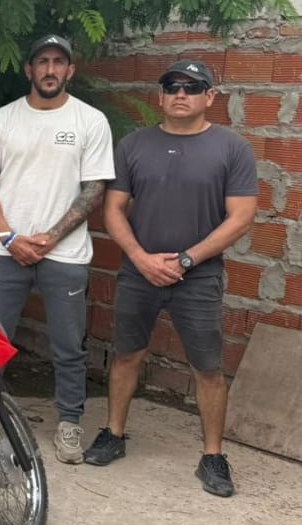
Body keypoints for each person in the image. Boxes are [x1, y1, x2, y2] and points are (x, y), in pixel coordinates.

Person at [85, 60, 256, 496]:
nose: (181, 94)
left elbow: (241, 217)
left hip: (198, 276)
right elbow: (112, 209)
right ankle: (114, 433)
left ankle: (213, 456)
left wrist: (185, 261)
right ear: (160, 96)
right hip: (139, 272)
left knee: (208, 368)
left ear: (209, 97)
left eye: (192, 87)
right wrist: (140, 258)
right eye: (172, 87)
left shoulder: (232, 148)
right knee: (127, 354)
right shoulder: (134, 145)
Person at [0, 35, 115, 464]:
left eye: (59, 62)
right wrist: (9, 237)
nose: (50, 69)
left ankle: (69, 423)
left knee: (69, 346)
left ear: (70, 70)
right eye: (42, 62)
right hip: (3, 251)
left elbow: (94, 190)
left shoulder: (91, 121)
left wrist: (50, 237)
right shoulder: (1, 120)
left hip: (65, 254)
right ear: (29, 70)